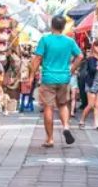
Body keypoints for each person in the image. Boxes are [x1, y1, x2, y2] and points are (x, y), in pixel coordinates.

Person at [30, 15, 82, 147]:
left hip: (48, 78)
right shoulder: (69, 41)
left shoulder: (45, 40)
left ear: (52, 26)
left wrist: (31, 75)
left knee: (49, 107)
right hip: (64, 78)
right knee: (63, 104)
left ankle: (50, 139)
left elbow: (37, 59)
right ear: (64, 27)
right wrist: (71, 69)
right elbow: (80, 56)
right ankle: (65, 127)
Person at [79, 40, 98, 130]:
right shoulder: (91, 58)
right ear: (95, 47)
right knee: (91, 105)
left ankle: (96, 124)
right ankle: (82, 120)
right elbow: (92, 70)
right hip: (91, 83)